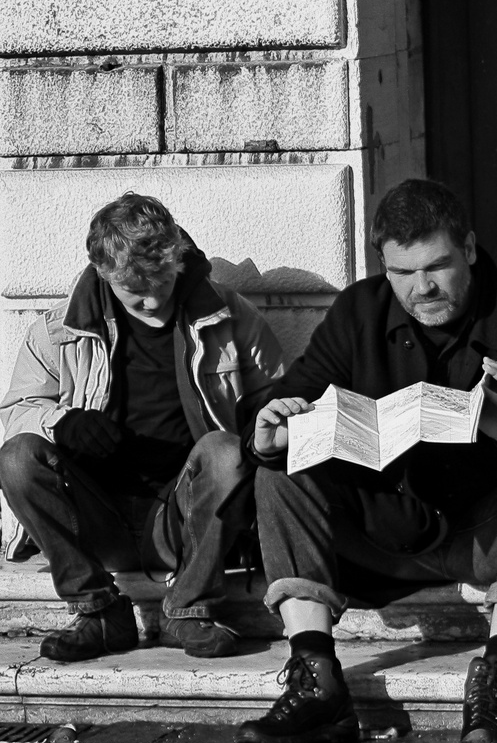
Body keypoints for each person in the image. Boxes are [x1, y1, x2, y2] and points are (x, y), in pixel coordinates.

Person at [239, 178, 497, 743]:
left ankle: (494, 688)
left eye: (437, 266)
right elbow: (297, 391)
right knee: (278, 471)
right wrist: (270, 430)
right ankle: (317, 683)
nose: (421, 287)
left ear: (471, 250)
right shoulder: (359, 309)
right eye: (401, 273)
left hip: (483, 537)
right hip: (372, 533)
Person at [0, 193, 284, 662]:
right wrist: (62, 423)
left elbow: (275, 399)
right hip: (95, 516)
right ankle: (98, 612)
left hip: (185, 514)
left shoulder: (231, 320)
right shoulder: (56, 330)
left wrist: (267, 430)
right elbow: (16, 412)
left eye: (163, 283)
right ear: (104, 275)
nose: (153, 301)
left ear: (177, 260)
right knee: (15, 457)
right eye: (136, 292)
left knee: (226, 451)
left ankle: (189, 608)